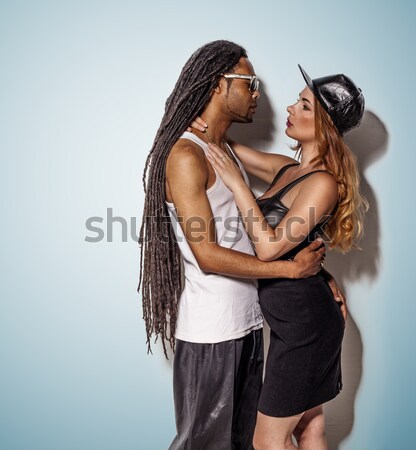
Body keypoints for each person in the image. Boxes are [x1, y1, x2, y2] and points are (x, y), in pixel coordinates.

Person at [138, 41, 343, 450]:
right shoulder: (186, 156)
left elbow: (258, 232)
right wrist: (290, 270)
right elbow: (207, 255)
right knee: (204, 443)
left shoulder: (222, 153)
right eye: (250, 84)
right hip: (213, 332)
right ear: (218, 86)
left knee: (245, 443)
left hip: (249, 324)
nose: (260, 95)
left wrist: (321, 274)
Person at [197, 65, 367, 449]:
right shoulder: (287, 168)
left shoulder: (322, 183)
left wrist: (240, 186)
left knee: (267, 442)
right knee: (310, 429)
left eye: (304, 105)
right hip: (296, 320)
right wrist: (203, 118)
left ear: (323, 125)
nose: (291, 107)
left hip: (306, 328)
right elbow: (225, 148)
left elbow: (269, 247)